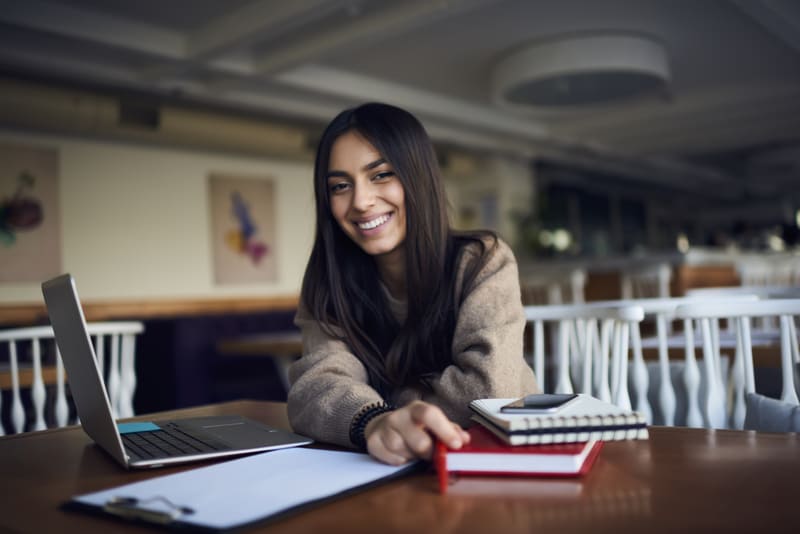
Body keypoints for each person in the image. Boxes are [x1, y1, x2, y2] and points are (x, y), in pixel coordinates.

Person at [287, 102, 538, 465]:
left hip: (504, 458)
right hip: (396, 467)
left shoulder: (482, 259)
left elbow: (489, 390)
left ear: (417, 177)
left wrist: (378, 405)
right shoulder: (328, 281)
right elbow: (314, 390)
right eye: (341, 185)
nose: (360, 201)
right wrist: (374, 423)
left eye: (381, 174)